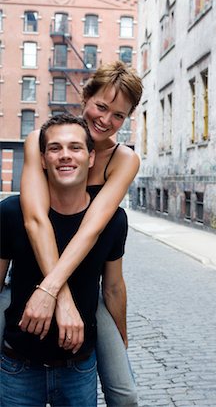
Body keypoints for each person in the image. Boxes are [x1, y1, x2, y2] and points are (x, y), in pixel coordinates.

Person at [0, 61, 142, 406]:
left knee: (126, 394)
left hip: (83, 288)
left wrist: (55, 293)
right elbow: (35, 219)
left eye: (119, 116)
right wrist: (54, 295)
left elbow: (92, 227)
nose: (106, 121)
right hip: (28, 278)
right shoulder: (42, 139)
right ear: (85, 97)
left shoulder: (123, 159)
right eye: (101, 106)